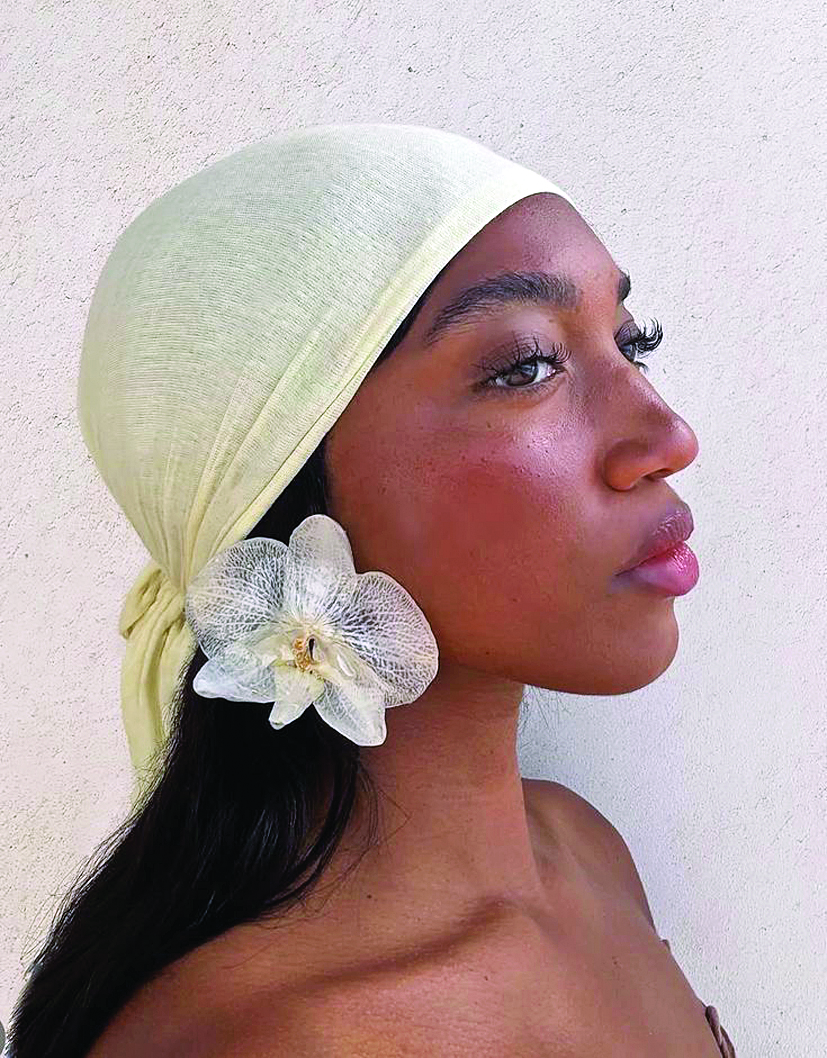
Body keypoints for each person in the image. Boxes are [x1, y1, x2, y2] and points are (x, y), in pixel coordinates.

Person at [7, 123, 735, 1056]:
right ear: (270, 484)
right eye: (525, 366)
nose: (668, 438)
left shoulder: (586, 850)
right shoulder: (255, 1041)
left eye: (633, 343)